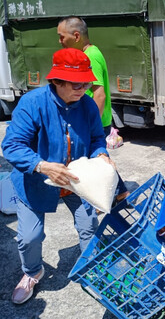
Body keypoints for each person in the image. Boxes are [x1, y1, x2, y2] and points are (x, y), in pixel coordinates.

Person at [2, 48, 113, 304]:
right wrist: (41, 165)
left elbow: (97, 138)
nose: (83, 87)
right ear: (56, 81)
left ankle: (90, 268)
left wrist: (101, 154)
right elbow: (12, 145)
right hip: (36, 180)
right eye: (76, 83)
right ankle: (32, 272)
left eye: (87, 82)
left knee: (88, 226)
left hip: (77, 178)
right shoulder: (32, 103)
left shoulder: (86, 104)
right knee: (30, 236)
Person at [57, 16, 128, 200]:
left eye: (62, 37)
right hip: (94, 119)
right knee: (98, 159)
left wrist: (91, 125)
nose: (60, 41)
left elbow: (99, 94)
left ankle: (102, 198)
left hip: (94, 121)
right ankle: (120, 193)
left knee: (93, 160)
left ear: (76, 36)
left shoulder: (91, 57)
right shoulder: (91, 53)